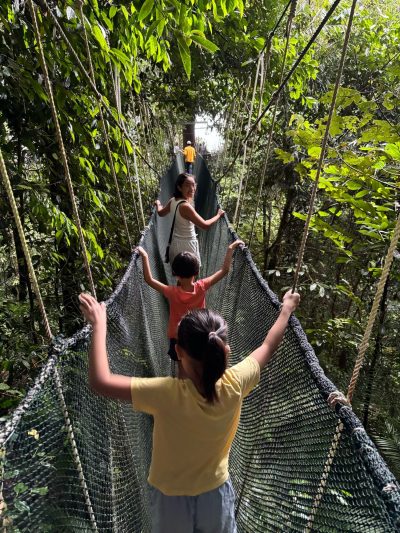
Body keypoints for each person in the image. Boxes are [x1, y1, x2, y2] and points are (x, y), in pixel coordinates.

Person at [79, 288, 300, 533]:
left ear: (179, 352)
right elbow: (268, 346)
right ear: (225, 350)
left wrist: (99, 324)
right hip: (216, 495)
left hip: (170, 498)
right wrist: (286, 309)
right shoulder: (236, 383)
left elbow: (101, 382)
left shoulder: (165, 394)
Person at [137, 240, 244, 368]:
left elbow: (149, 280)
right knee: (198, 363)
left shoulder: (171, 292)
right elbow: (224, 270)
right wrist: (231, 248)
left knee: (182, 365)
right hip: (199, 333)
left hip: (178, 336)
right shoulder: (202, 286)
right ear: (196, 272)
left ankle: (182, 379)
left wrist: (145, 256)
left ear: (175, 274)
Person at [154, 172, 224, 266]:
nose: (192, 189)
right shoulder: (185, 206)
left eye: (193, 185)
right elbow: (205, 225)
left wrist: (158, 204)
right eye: (187, 185)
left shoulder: (173, 200)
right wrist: (218, 215)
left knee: (178, 274)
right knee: (191, 275)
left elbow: (160, 213)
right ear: (179, 187)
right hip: (187, 247)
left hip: (175, 245)